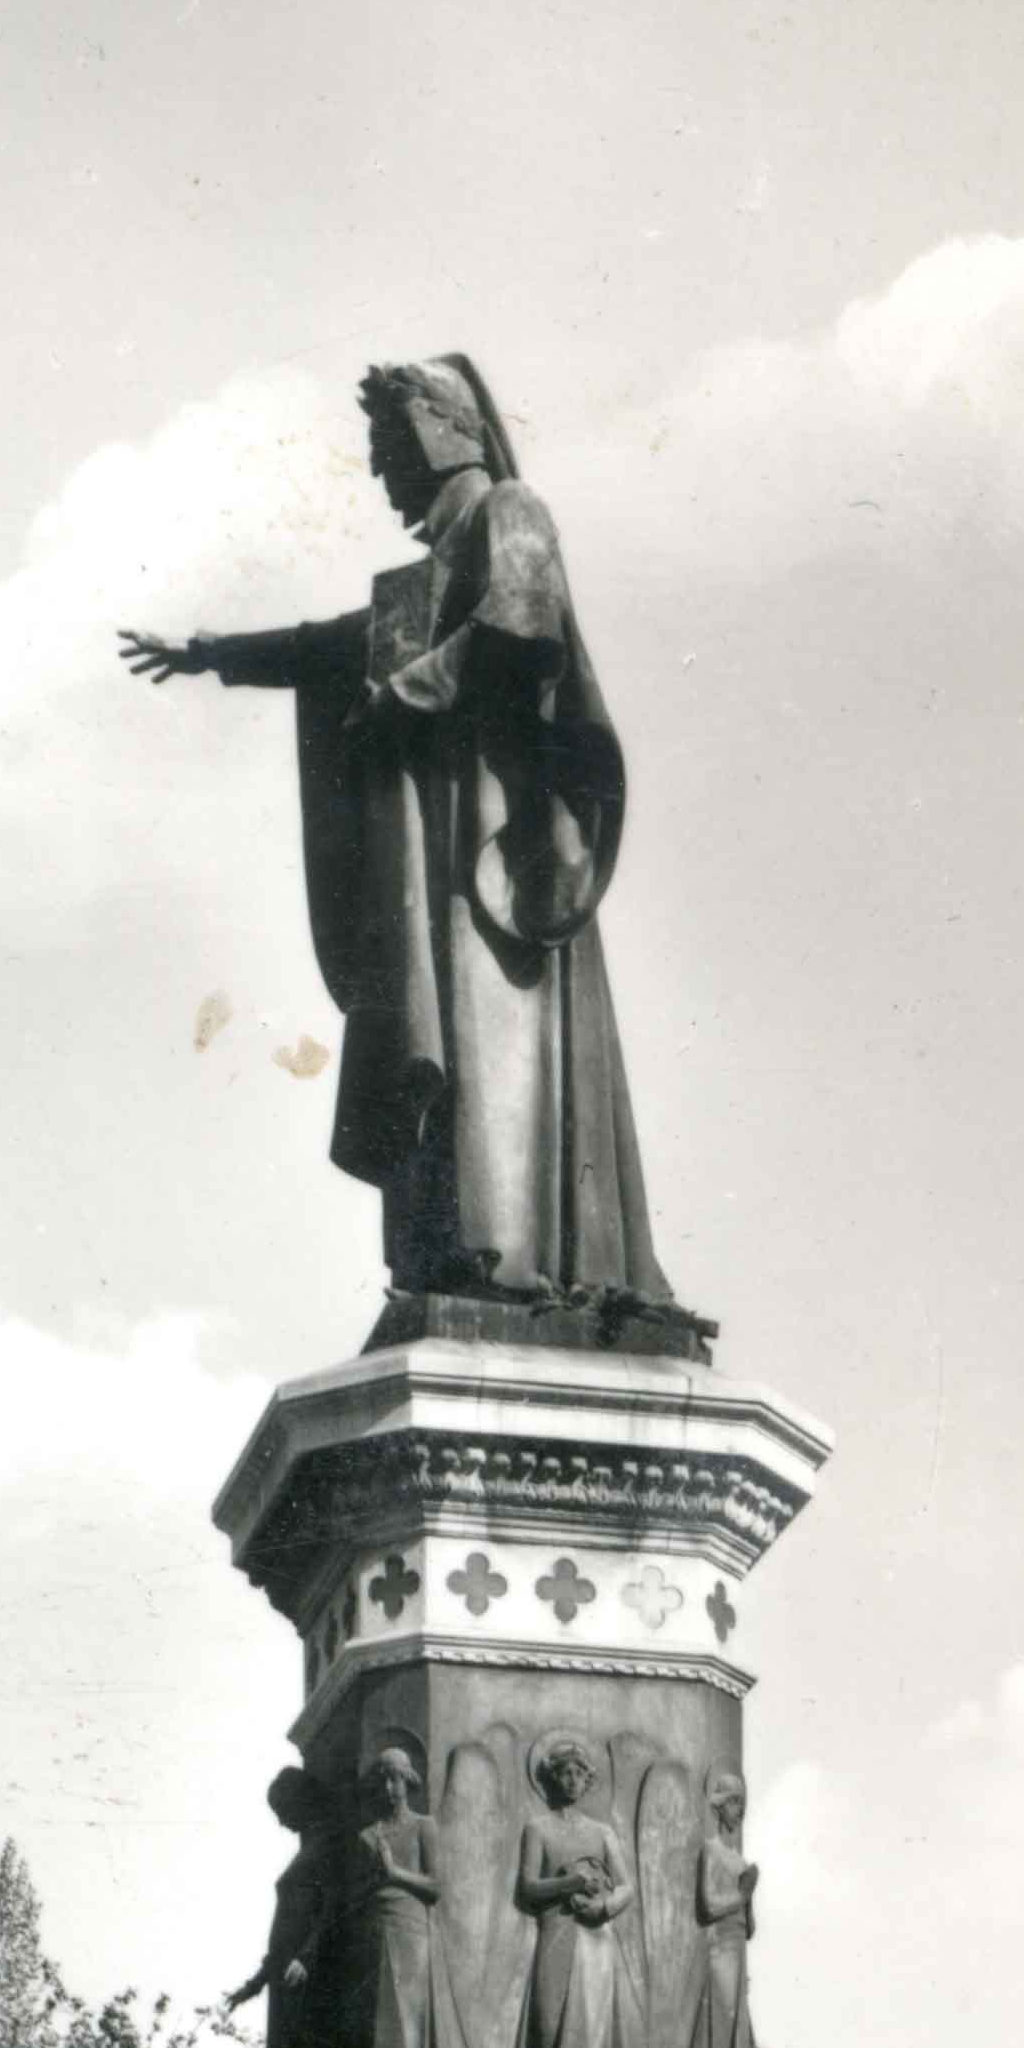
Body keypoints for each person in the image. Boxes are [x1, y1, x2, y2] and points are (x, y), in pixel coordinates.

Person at [118, 358, 687, 1328]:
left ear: (440, 429)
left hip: (493, 853)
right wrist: (212, 655)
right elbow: (327, 646)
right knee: (436, 1029)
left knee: (485, 1032)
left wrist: (408, 692)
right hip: (434, 851)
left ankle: (506, 1253)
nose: (383, 473)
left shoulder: (511, 511)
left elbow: (520, 624)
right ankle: (455, 1249)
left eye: (389, 446)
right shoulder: (420, 580)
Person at [226, 1766, 347, 2048]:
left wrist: (308, 1956)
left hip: (308, 1981)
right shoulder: (309, 1845)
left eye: (282, 1810)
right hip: (286, 1982)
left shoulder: (328, 1843)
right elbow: (285, 1929)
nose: (280, 1820)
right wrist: (257, 1981)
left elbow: (332, 1906)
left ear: (300, 1801)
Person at [511, 1734, 632, 2048]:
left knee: (585, 2028)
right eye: (565, 1773)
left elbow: (626, 1887)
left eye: (580, 1774)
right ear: (551, 1778)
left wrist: (603, 1907)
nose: (573, 1781)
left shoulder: (602, 1833)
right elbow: (528, 1887)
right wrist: (569, 1884)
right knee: (548, 2023)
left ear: (589, 1781)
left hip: (593, 1941)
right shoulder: (538, 1829)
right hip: (555, 1934)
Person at [352, 1735, 445, 2048]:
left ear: (409, 1780)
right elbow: (359, 1893)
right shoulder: (368, 1836)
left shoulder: (424, 1826)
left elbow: (436, 1885)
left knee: (409, 2026)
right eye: (384, 1780)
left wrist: (394, 1873)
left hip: (412, 1931)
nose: (391, 1788)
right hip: (378, 1931)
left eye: (397, 1779)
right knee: (381, 2027)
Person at [674, 1775, 761, 2048]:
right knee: (715, 2040)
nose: (739, 1811)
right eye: (733, 1803)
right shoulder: (711, 1850)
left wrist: (749, 1897)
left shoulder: (739, 1860)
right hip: (719, 1951)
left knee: (733, 2045)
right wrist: (741, 1895)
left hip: (737, 1954)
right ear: (719, 1807)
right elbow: (708, 1905)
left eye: (742, 1804)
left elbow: (750, 1928)